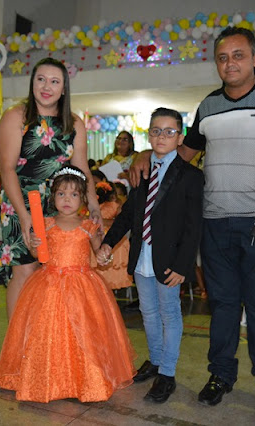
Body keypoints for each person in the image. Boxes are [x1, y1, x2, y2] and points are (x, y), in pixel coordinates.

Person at [128, 27, 255, 413]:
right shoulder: (209, 106)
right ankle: (221, 376)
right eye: (223, 57)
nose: (230, 63)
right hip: (214, 224)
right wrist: (145, 154)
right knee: (224, 305)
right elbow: (182, 156)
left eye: (239, 55)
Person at [0, 166, 135, 403]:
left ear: (83, 199)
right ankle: (49, 377)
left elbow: (100, 253)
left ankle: (85, 378)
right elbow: (39, 255)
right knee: (49, 332)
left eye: (73, 194)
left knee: (83, 331)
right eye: (61, 194)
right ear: (53, 197)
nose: (67, 200)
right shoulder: (46, 224)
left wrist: (105, 256)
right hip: (49, 284)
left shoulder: (89, 226)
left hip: (82, 285)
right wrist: (34, 244)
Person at [100, 108, 204, 403]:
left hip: (169, 260)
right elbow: (128, 214)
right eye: (156, 131)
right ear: (149, 135)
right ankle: (156, 361)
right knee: (148, 312)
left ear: (180, 137)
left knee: (169, 313)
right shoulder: (143, 172)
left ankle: (167, 374)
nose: (162, 137)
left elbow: (193, 226)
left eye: (169, 132)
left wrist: (183, 265)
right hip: (142, 256)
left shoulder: (191, 176)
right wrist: (108, 243)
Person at [0, 57, 101, 319]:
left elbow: (82, 168)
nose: (46, 86)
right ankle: (18, 338)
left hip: (60, 204)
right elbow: (7, 169)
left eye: (55, 81)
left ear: (64, 88)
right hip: (20, 202)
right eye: (41, 79)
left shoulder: (73, 123)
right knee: (25, 270)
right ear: (32, 82)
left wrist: (94, 204)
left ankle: (46, 333)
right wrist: (24, 216)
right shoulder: (16, 117)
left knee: (54, 270)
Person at [93, 181, 132, 290]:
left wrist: (103, 222)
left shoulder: (116, 205)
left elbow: (120, 222)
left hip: (112, 236)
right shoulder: (96, 207)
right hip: (99, 236)